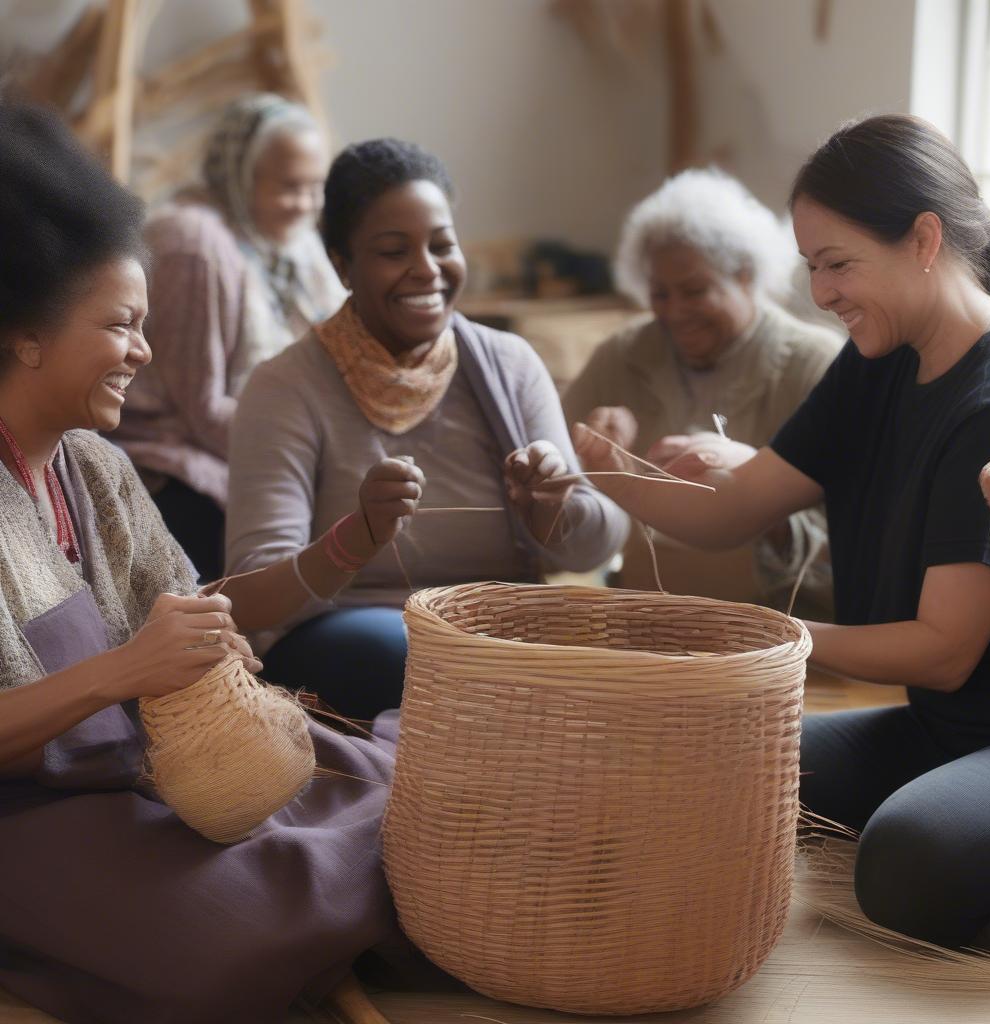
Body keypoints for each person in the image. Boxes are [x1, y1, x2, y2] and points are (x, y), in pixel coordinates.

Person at [0, 102, 423, 1024]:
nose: (145, 352)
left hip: (135, 777)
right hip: (24, 821)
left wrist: (344, 545)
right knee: (230, 943)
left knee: (403, 793)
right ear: (24, 333)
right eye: (121, 325)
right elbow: (130, 665)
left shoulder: (96, 467)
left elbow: (190, 608)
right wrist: (128, 670)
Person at [573, 114, 990, 957]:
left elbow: (943, 652)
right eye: (814, 267)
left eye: (838, 264)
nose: (821, 293)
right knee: (690, 763)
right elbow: (731, 507)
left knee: (905, 865)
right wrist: (596, 462)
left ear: (925, 239)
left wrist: (761, 639)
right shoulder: (879, 358)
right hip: (934, 732)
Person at [226, 138, 630, 720]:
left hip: (501, 635)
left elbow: (603, 542)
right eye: (394, 251)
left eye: (442, 245)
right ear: (342, 265)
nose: (427, 269)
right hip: (352, 641)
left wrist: (553, 509)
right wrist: (354, 537)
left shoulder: (508, 365)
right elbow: (250, 595)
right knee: (421, 653)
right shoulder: (285, 387)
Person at [562, 169, 840, 612]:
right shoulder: (622, 355)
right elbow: (558, 479)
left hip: (776, 639)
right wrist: (589, 454)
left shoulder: (818, 366)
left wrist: (758, 503)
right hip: (640, 623)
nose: (675, 312)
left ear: (746, 275)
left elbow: (857, 539)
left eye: (695, 291)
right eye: (660, 294)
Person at [112, 93, 344, 581]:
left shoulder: (292, 243)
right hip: (172, 457)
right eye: (289, 186)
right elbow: (202, 408)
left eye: (315, 186)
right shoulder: (194, 244)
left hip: (261, 436)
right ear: (239, 175)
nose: (306, 203)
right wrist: (312, 456)